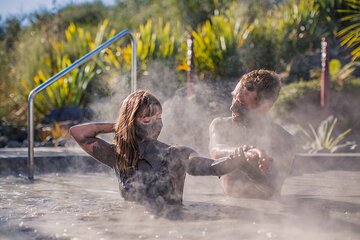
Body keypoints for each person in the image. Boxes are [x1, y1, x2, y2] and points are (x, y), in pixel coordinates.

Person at [70, 90, 257, 209]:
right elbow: (79, 133)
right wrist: (121, 125)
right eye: (147, 120)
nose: (156, 125)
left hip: (172, 229)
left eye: (159, 118)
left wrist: (238, 158)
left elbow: (213, 167)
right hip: (132, 229)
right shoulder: (118, 156)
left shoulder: (175, 154)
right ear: (131, 123)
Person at [209, 70, 296, 199]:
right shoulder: (220, 125)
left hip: (269, 213)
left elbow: (272, 190)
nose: (232, 108)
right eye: (234, 97)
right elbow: (216, 150)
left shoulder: (285, 140)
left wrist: (250, 170)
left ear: (265, 106)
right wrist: (246, 152)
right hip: (229, 207)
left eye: (242, 103)